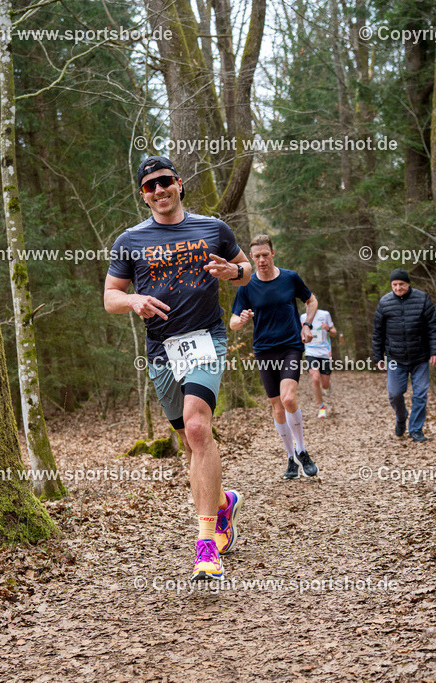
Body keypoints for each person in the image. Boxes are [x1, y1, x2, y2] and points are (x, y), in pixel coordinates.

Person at [104, 156, 252, 581]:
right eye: (150, 186)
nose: (159, 190)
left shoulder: (213, 228)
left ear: (179, 184)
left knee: (198, 428)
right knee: (187, 439)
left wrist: (233, 270)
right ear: (143, 194)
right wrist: (132, 300)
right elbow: (111, 296)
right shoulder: (129, 240)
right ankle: (223, 503)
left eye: (165, 181)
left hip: (206, 339)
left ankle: (207, 546)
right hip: (161, 349)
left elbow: (243, 273)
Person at [230, 235, 319, 480]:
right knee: (277, 407)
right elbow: (233, 322)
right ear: (252, 258)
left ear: (273, 254)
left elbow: (311, 301)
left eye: (265, 255)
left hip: (290, 346)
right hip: (264, 350)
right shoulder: (247, 285)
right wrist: (242, 319)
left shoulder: (290, 278)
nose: (261, 260)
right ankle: (290, 458)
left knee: (289, 398)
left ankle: (302, 450)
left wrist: (307, 325)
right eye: (256, 256)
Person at [371, 268, 436, 442]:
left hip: (420, 356)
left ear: (408, 283)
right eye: (394, 285)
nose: (398, 288)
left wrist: (435, 351)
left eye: (401, 284)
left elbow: (433, 327)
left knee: (420, 394)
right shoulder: (385, 302)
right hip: (395, 358)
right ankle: (401, 417)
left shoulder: (422, 299)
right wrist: (378, 357)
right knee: (394, 394)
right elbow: (378, 332)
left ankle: (416, 429)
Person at [300, 308, 337, 418]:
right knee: (315, 378)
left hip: (324, 352)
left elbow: (334, 333)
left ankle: (328, 387)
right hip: (310, 352)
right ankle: (321, 408)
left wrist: (329, 329)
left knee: (324, 384)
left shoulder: (325, 314)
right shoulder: (302, 317)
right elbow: (300, 336)